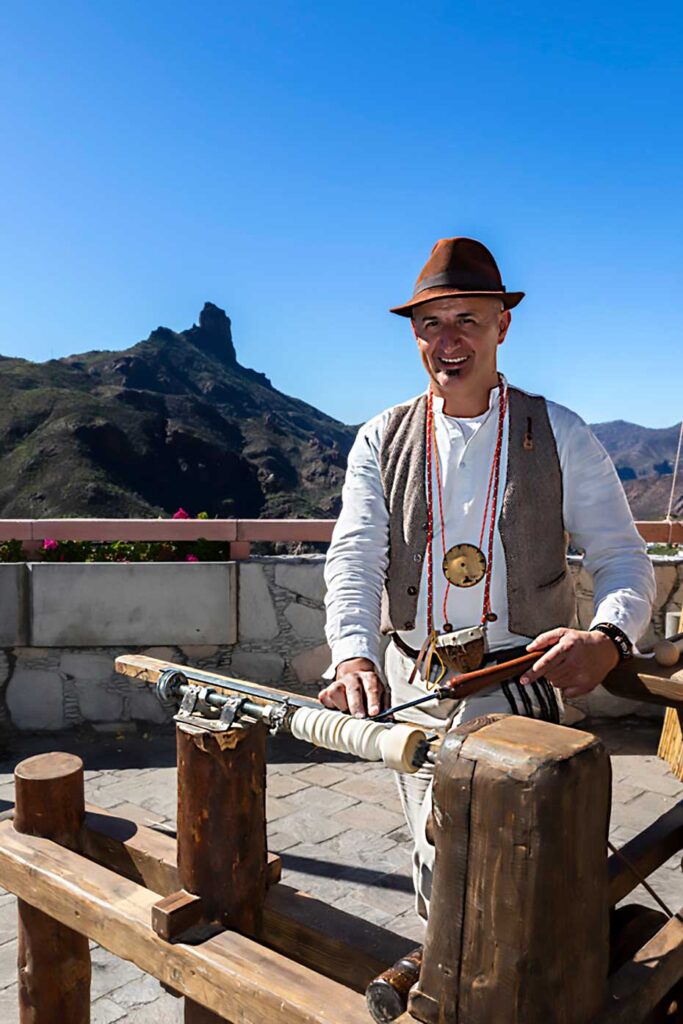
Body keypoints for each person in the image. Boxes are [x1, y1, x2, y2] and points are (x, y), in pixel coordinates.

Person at [319, 236, 656, 919]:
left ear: (502, 326)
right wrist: (352, 652)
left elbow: (621, 556)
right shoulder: (381, 438)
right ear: (414, 334)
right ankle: (450, 964)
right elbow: (355, 556)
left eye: (466, 320)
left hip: (515, 677)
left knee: (471, 848)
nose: (448, 341)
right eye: (430, 323)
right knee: (436, 865)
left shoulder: (560, 432)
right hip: (414, 683)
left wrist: (609, 638)